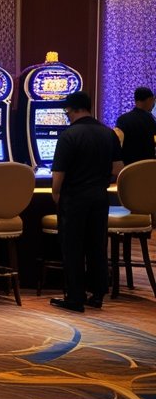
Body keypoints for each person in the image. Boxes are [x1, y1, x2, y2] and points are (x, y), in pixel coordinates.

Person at [50, 91, 123, 313]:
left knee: (73, 246)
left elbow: (58, 176)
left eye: (67, 111)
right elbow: (118, 169)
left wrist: (57, 196)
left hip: (75, 197)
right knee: (96, 245)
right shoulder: (108, 133)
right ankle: (98, 294)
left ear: (71, 109)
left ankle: (75, 297)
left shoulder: (69, 135)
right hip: (100, 197)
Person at [113, 86, 156, 165]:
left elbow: (117, 142)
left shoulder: (122, 119)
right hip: (148, 166)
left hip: (128, 167)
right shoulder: (151, 120)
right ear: (150, 100)